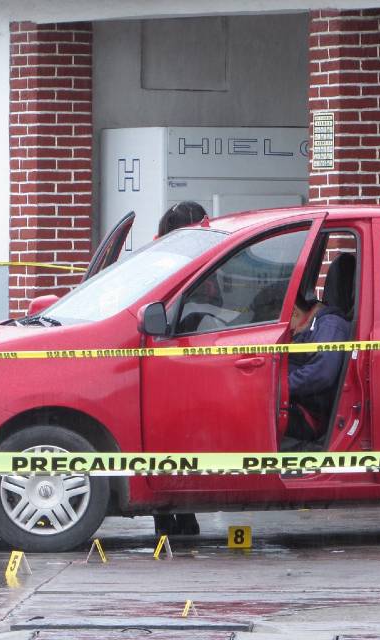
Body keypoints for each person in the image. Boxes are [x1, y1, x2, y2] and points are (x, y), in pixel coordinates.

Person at [152, 201, 208, 538]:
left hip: (166, 364)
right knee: (183, 441)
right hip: (191, 361)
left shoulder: (159, 262)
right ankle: (182, 516)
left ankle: (168, 516)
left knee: (167, 442)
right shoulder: (206, 257)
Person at [285, 292, 352, 444]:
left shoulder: (329, 325)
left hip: (311, 416)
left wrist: (280, 386)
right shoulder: (314, 327)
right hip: (300, 405)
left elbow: (322, 374)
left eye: (286, 327)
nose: (287, 335)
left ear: (295, 312)